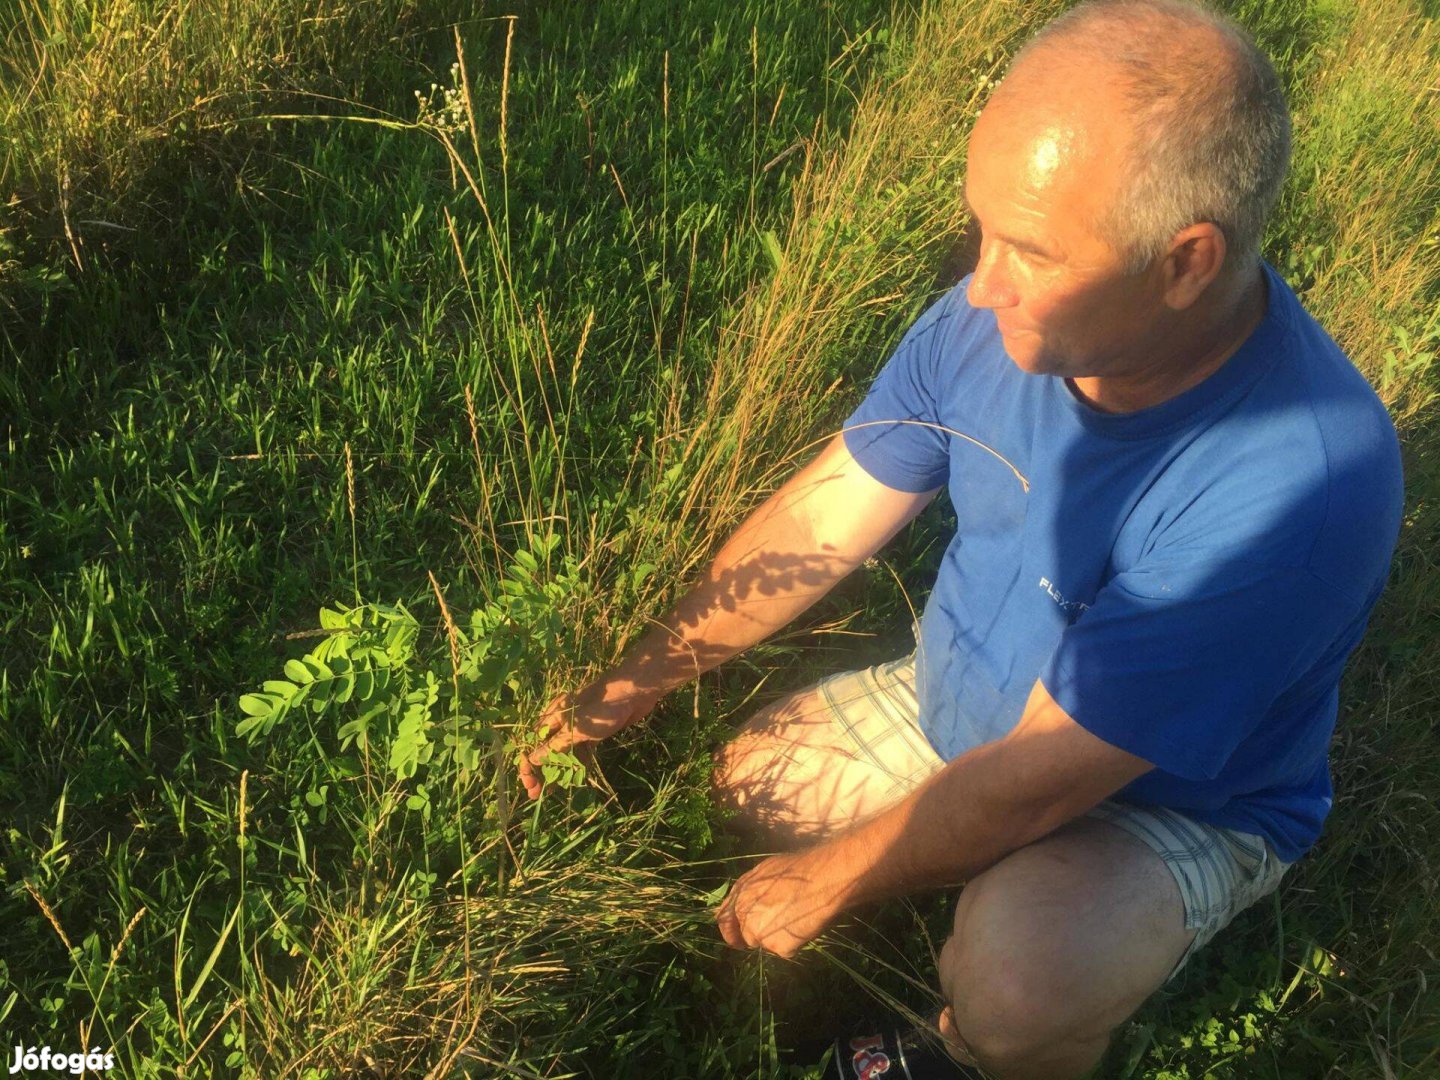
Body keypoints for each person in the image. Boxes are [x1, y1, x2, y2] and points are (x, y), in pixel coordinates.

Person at [519, 0, 1404, 1076]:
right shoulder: (995, 317)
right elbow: (823, 514)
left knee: (1025, 976)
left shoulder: (1296, 489)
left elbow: (1042, 776)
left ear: (1185, 263)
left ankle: (974, 1054)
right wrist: (627, 685)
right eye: (983, 228)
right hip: (964, 702)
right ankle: (944, 879)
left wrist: (828, 882)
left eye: (1030, 249)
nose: (980, 285)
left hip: (1165, 800)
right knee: (747, 786)